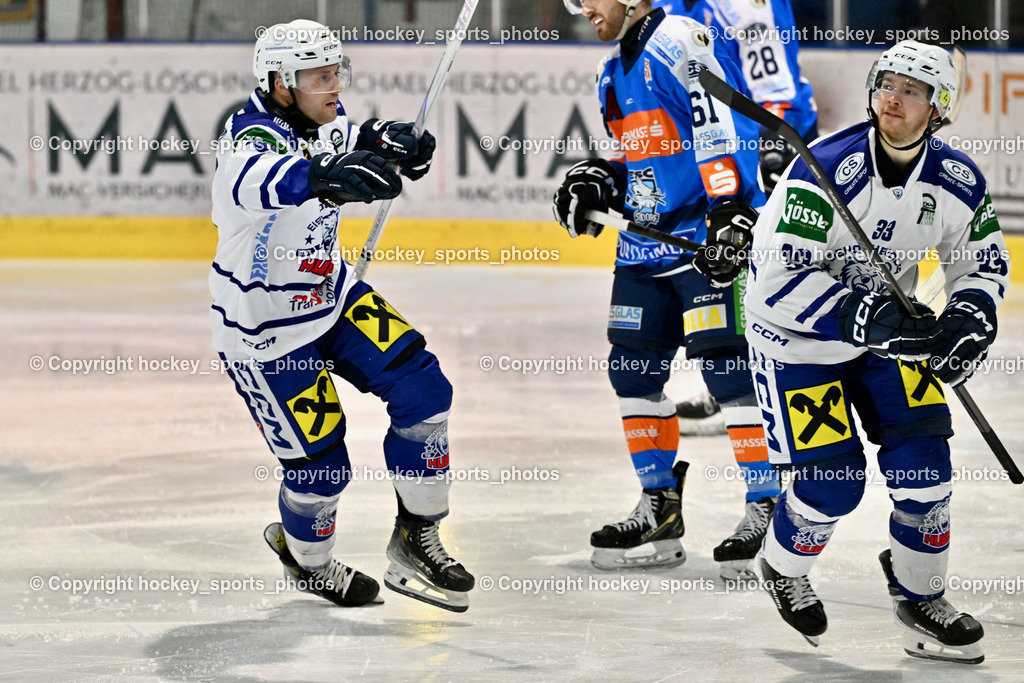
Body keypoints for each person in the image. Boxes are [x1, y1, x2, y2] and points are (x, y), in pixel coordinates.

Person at [745, 40, 1007, 663]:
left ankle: (920, 594)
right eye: (888, 82)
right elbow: (775, 279)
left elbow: (983, 264)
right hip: (799, 341)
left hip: (888, 338)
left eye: (913, 90)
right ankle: (782, 565)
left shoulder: (956, 181)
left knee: (927, 470)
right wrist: (860, 313)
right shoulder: (821, 169)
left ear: (938, 108)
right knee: (834, 486)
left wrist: (970, 317)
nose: (894, 97)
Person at [209, 19, 474, 612]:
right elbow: (263, 180)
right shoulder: (248, 136)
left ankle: (417, 535)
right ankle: (308, 563)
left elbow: (358, 136)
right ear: (281, 83)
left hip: (332, 298)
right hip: (265, 332)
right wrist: (326, 180)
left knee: (425, 391)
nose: (335, 85)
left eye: (337, 72)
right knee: (322, 472)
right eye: (320, 76)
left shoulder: (322, 120)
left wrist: (393, 139)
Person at [553, 0, 781, 578]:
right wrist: (601, 179)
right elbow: (644, 158)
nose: (583, 8)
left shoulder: (680, 39)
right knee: (631, 372)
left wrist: (731, 208)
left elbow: (721, 124)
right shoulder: (612, 71)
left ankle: (767, 506)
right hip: (644, 244)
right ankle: (659, 506)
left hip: (704, 241)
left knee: (728, 371)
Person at [655, 0, 819, 435]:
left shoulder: (747, 5)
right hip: (716, 149)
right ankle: (734, 385)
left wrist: (769, 150)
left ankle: (775, 384)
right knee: (723, 267)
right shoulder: (663, 6)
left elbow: (777, 92)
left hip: (767, 144)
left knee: (768, 273)